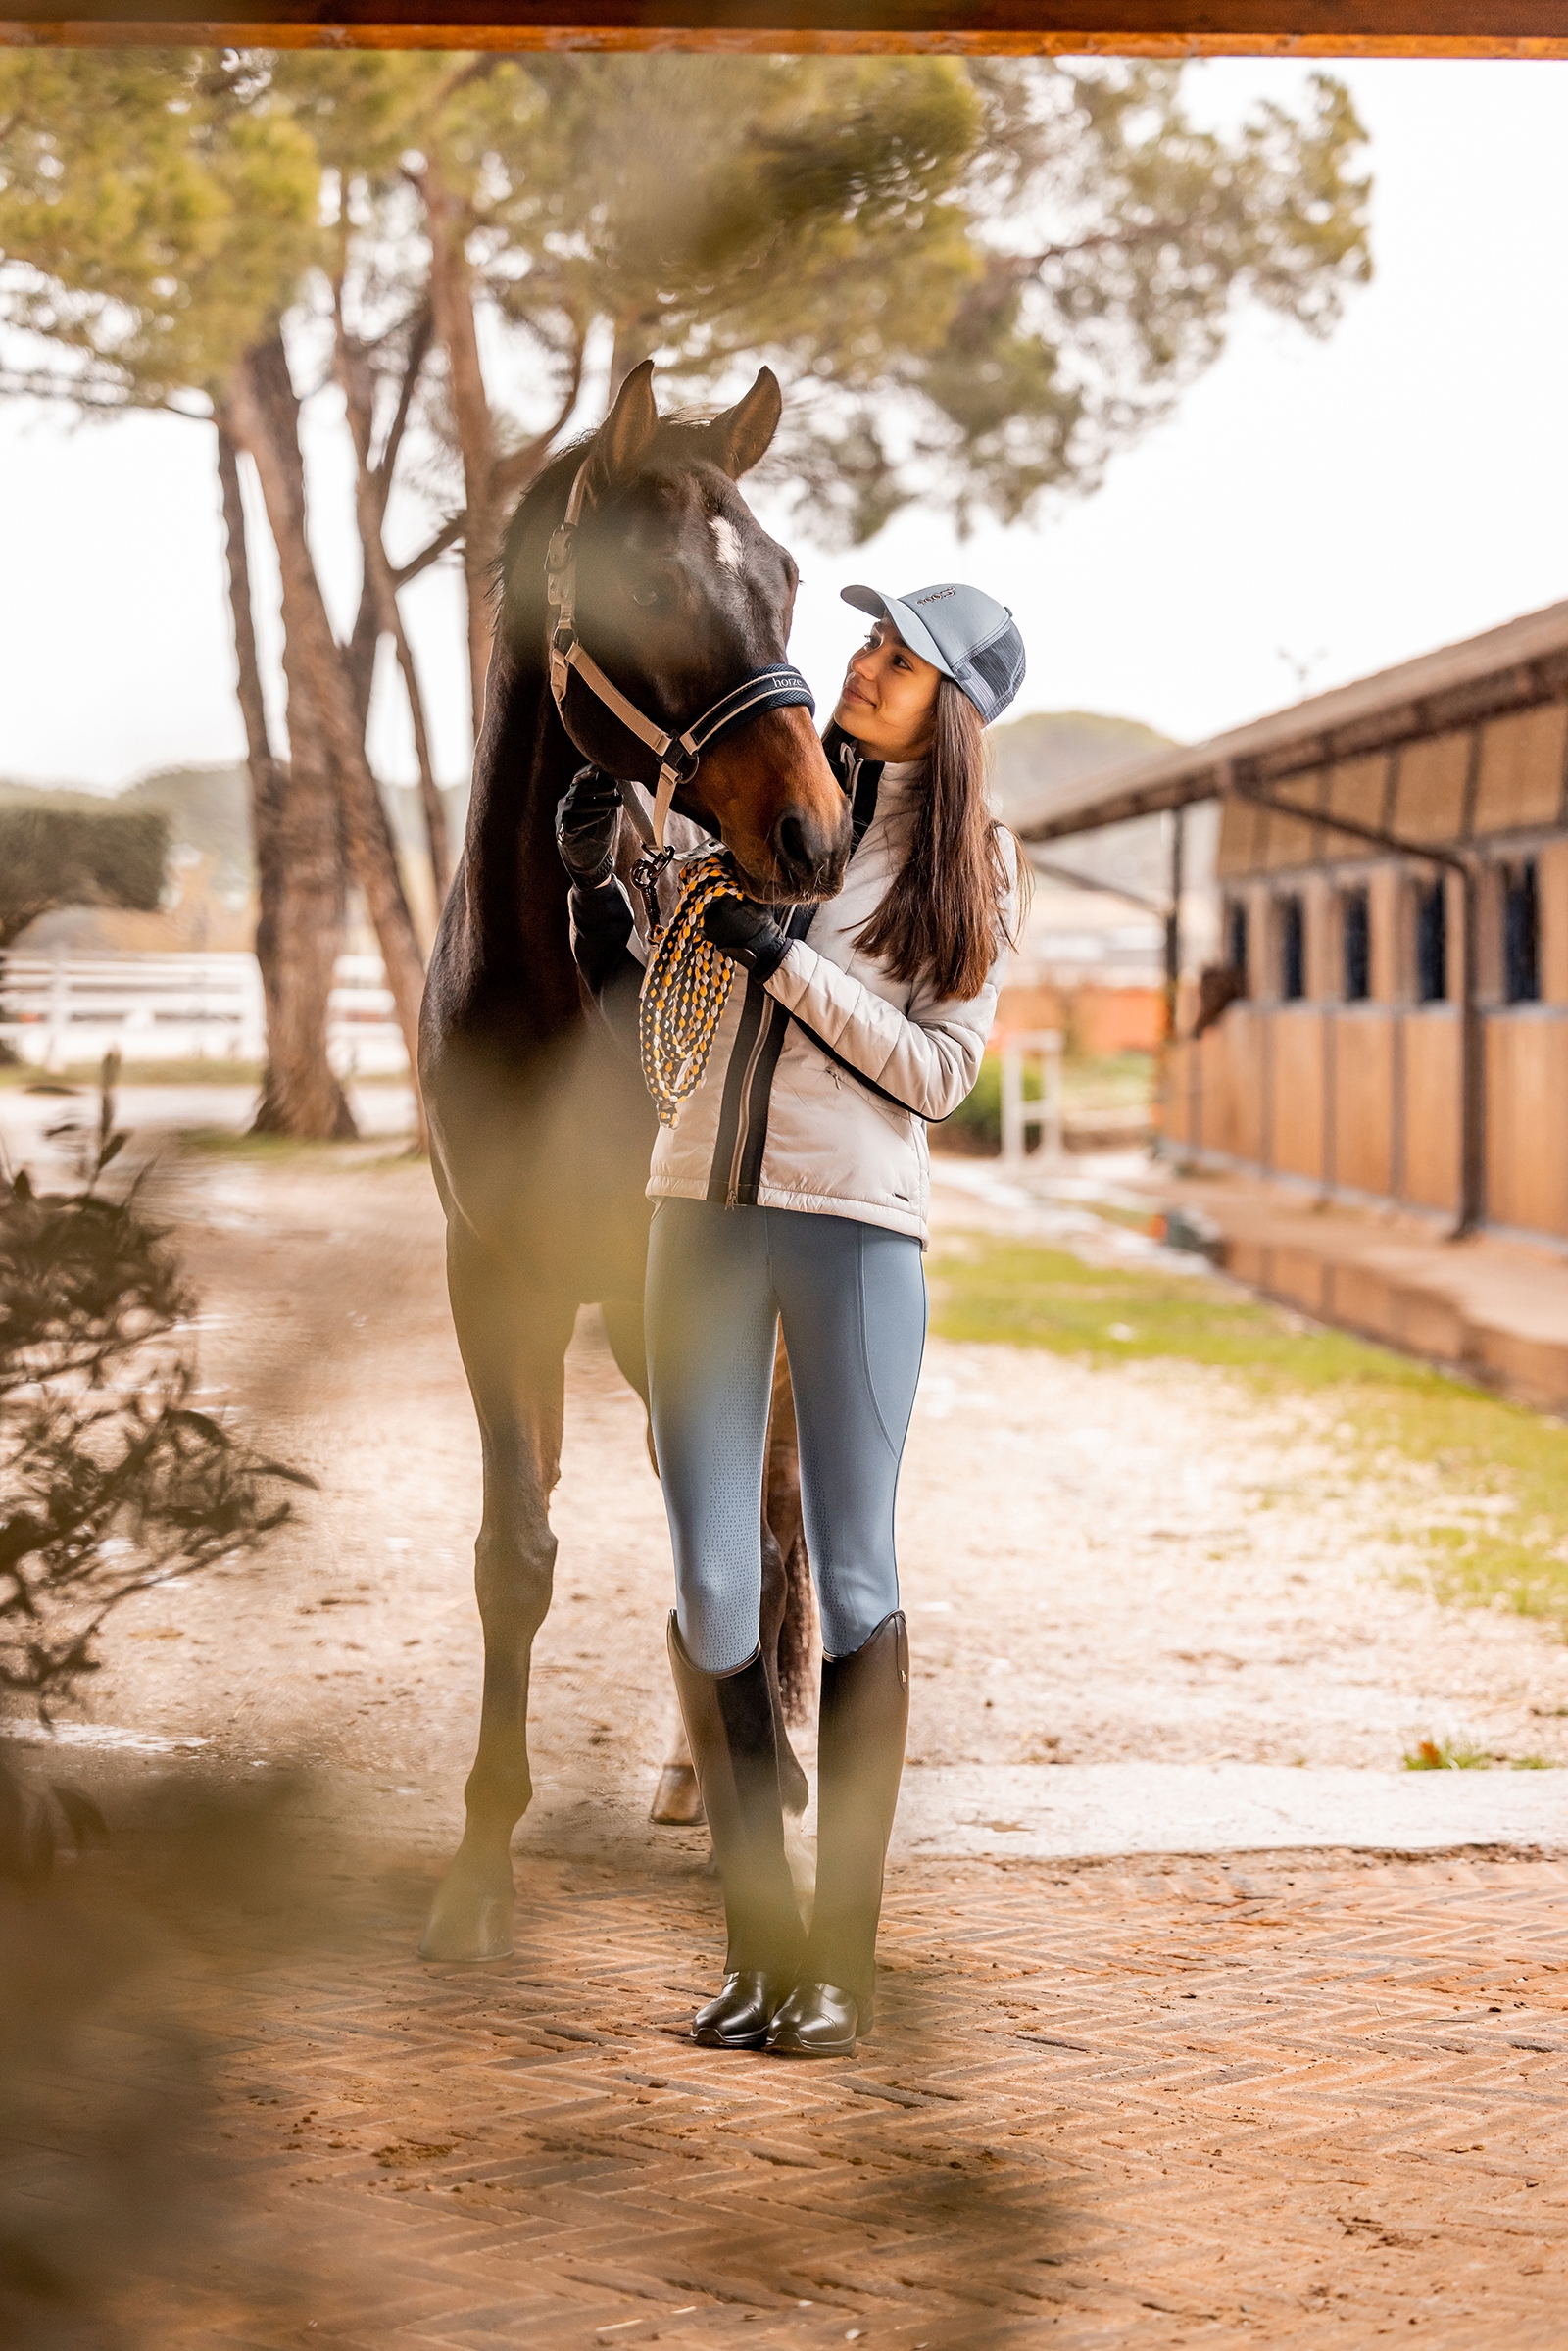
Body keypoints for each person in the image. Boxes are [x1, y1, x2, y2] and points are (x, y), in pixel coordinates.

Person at [557, 581, 1028, 2057]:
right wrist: (600, 907)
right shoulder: (749, 804)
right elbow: (659, 1020)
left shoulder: (969, 861)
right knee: (708, 1584)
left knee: (855, 1574)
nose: (864, 663)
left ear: (955, 708)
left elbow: (941, 1076)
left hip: (854, 1233)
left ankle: (841, 1962)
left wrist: (792, 962)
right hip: (690, 1213)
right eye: (869, 640)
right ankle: (758, 1948)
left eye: (900, 656)